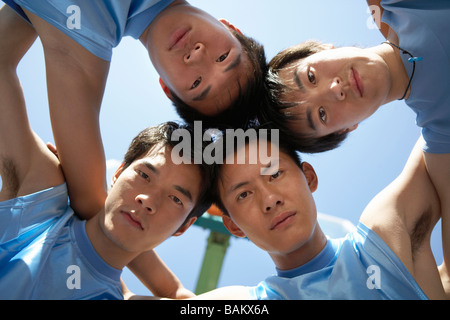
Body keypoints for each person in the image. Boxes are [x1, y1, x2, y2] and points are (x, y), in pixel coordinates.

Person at [0, 1, 266, 221]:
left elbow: (93, 204)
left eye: (196, 84)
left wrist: (164, 288)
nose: (196, 56)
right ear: (231, 29)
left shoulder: (83, 44)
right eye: (224, 58)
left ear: (167, 89)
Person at [261, 0, 450, 295]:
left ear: (322, 48)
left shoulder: (399, 6)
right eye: (321, 115)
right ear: (346, 129)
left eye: (311, 76)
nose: (334, 89)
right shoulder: (444, 143)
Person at [0, 65, 213, 298]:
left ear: (184, 226)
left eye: (175, 198)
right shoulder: (40, 194)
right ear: (118, 173)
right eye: (144, 175)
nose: (147, 200)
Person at [166, 129, 447, 300]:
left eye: (275, 173)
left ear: (309, 177)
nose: (270, 199)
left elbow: (439, 117)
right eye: (243, 194)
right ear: (233, 225)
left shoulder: (384, 237)